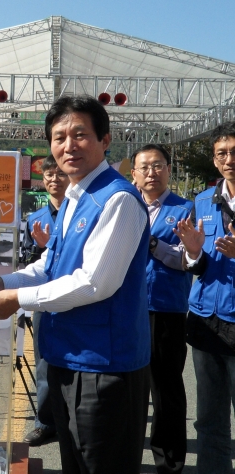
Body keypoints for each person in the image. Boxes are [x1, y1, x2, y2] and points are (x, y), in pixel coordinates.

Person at [0, 94, 151, 474]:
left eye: (80, 134)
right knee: (75, 463)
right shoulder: (73, 197)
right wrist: (0, 280)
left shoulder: (117, 199)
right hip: (67, 358)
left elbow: (93, 284)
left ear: (105, 140)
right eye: (59, 137)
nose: (68, 145)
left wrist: (17, 297)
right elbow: (49, 266)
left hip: (103, 366)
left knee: (100, 465)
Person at [173, 121, 235, 474]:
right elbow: (195, 265)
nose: (229, 159)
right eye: (222, 153)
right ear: (214, 161)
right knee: (209, 420)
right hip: (205, 323)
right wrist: (194, 254)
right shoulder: (201, 202)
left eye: (234, 152)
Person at [131, 144, 193, 474]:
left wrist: (153, 244)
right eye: (145, 167)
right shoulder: (124, 205)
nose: (152, 173)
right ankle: (127, 455)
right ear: (134, 175)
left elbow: (187, 260)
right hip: (127, 307)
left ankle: (169, 461)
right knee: (130, 387)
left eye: (158, 166)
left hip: (166, 308)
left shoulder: (185, 209)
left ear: (169, 170)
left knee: (166, 388)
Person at [21, 154, 69, 447]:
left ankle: (71, 422)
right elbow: (27, 260)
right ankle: (45, 422)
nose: (54, 180)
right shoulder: (34, 219)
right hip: (43, 300)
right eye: (49, 175)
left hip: (76, 298)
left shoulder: (82, 212)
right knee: (43, 364)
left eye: (60, 175)